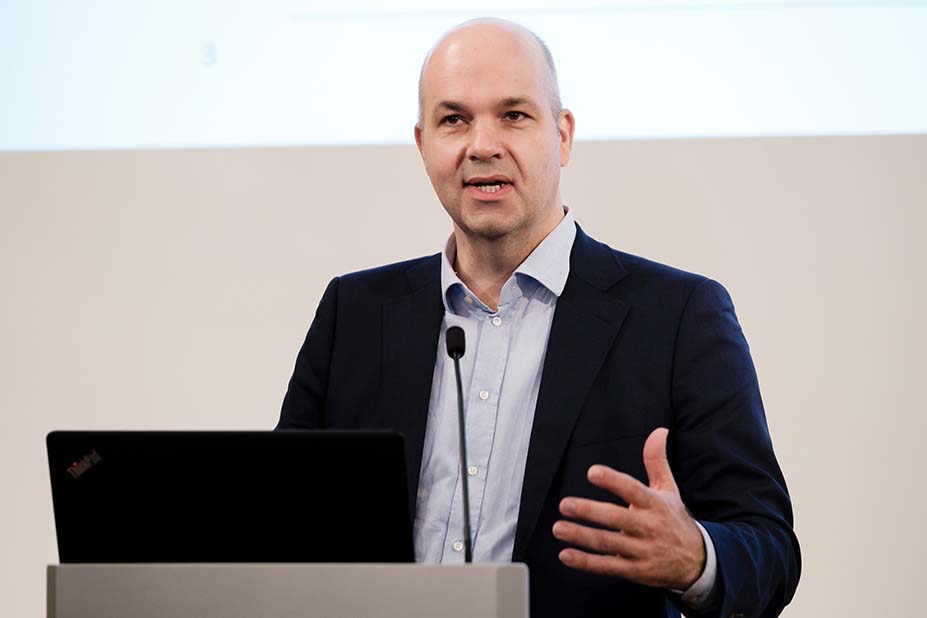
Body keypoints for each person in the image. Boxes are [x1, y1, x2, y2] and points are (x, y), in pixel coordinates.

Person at [278, 18, 800, 618]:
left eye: (514, 115)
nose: (482, 145)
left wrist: (695, 558)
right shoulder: (353, 313)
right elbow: (282, 527)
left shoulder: (678, 316)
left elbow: (769, 550)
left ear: (563, 135)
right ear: (423, 146)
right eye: (454, 120)